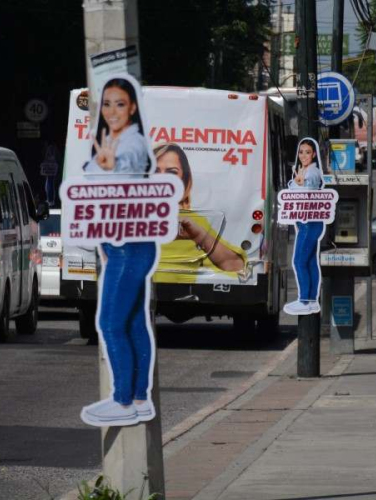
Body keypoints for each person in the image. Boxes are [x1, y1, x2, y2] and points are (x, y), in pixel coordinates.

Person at [80, 77, 157, 427]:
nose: (112, 111)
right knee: (133, 322)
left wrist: (103, 168)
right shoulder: (113, 139)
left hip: (128, 247)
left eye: (120, 104)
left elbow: (120, 180)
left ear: (133, 108)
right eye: (107, 104)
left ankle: (123, 400)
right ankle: (139, 398)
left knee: (110, 323)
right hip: (124, 243)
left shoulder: (132, 144)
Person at [152, 143, 246, 282]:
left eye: (171, 172)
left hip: (179, 296)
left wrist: (199, 235)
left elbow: (236, 266)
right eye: (155, 171)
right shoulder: (123, 213)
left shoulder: (193, 222)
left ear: (184, 180)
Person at [284, 138, 326, 316]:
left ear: (314, 154)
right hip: (306, 222)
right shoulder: (305, 170)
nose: (303, 155)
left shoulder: (312, 172)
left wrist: (298, 182)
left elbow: (304, 192)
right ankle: (310, 300)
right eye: (301, 152)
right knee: (309, 261)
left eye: (307, 152)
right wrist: (297, 180)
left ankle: (305, 300)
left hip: (309, 222)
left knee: (299, 261)